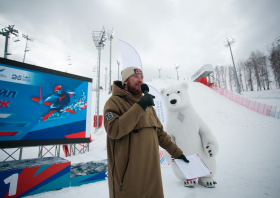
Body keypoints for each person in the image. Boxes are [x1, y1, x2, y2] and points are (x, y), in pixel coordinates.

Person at [103, 66, 189, 198]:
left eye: (142, 77)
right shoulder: (113, 102)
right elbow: (114, 130)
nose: (140, 80)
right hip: (128, 178)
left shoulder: (147, 105)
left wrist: (177, 153)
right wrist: (140, 106)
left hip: (151, 176)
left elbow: (160, 134)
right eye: (135, 77)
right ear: (125, 81)